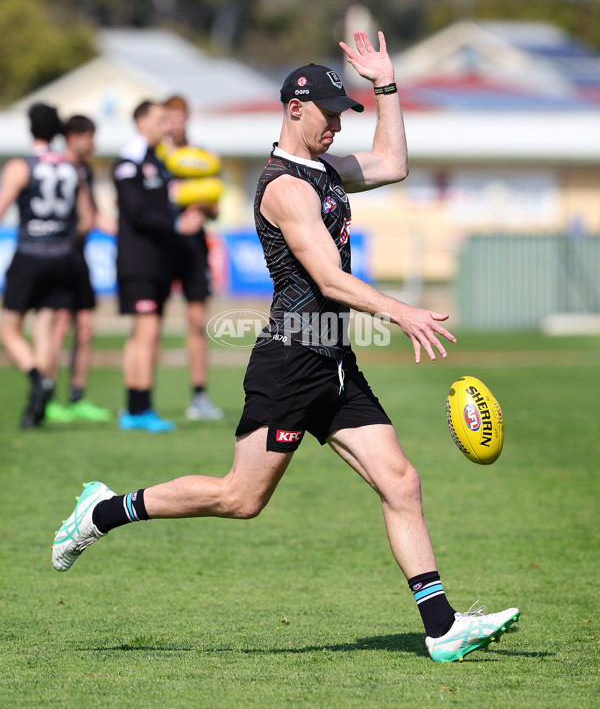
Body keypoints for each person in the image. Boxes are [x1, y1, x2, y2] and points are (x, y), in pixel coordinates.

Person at [52, 32, 519, 662]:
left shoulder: (326, 172)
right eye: (328, 114)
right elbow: (328, 279)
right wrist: (401, 311)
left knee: (400, 480)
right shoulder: (284, 187)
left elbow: (393, 162)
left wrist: (385, 89)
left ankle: (440, 628)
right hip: (291, 360)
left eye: (341, 115)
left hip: (332, 359)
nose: (335, 126)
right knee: (240, 498)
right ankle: (105, 511)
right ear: (294, 108)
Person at [0, 103, 94, 428]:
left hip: (29, 254)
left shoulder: (20, 166)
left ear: (30, 128)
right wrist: (62, 236)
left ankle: (39, 378)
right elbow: (87, 219)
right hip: (63, 257)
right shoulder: (72, 167)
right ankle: (36, 406)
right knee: (44, 327)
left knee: (8, 329)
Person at [113, 100, 204, 433]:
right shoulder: (129, 161)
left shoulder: (158, 162)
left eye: (169, 121)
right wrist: (176, 225)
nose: (167, 127)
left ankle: (135, 409)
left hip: (157, 263)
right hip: (138, 262)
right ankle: (140, 409)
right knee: (146, 334)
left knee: (144, 334)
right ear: (140, 122)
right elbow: (136, 212)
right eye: (160, 120)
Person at [45, 115, 112, 423]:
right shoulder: (54, 167)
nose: (93, 144)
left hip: (78, 259)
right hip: (57, 258)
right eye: (89, 136)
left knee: (85, 327)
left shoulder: (84, 169)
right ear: (72, 136)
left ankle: (76, 396)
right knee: (57, 327)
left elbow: (94, 216)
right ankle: (46, 398)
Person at [161, 95, 223, 421]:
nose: (174, 123)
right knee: (150, 321)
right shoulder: (155, 158)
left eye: (179, 117)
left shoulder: (203, 158)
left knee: (197, 321)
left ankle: (199, 396)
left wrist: (201, 209)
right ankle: (144, 401)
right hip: (160, 244)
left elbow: (216, 206)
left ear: (187, 118)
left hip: (194, 246)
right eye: (168, 117)